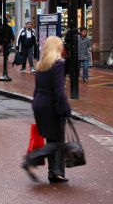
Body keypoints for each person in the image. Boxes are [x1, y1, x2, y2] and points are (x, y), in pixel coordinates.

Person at [21, 36, 71, 184]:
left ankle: (54, 173)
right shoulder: (58, 64)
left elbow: (37, 89)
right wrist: (65, 108)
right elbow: (59, 91)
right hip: (51, 105)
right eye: (61, 46)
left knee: (52, 139)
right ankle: (31, 159)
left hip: (39, 104)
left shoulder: (41, 64)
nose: (62, 48)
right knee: (57, 142)